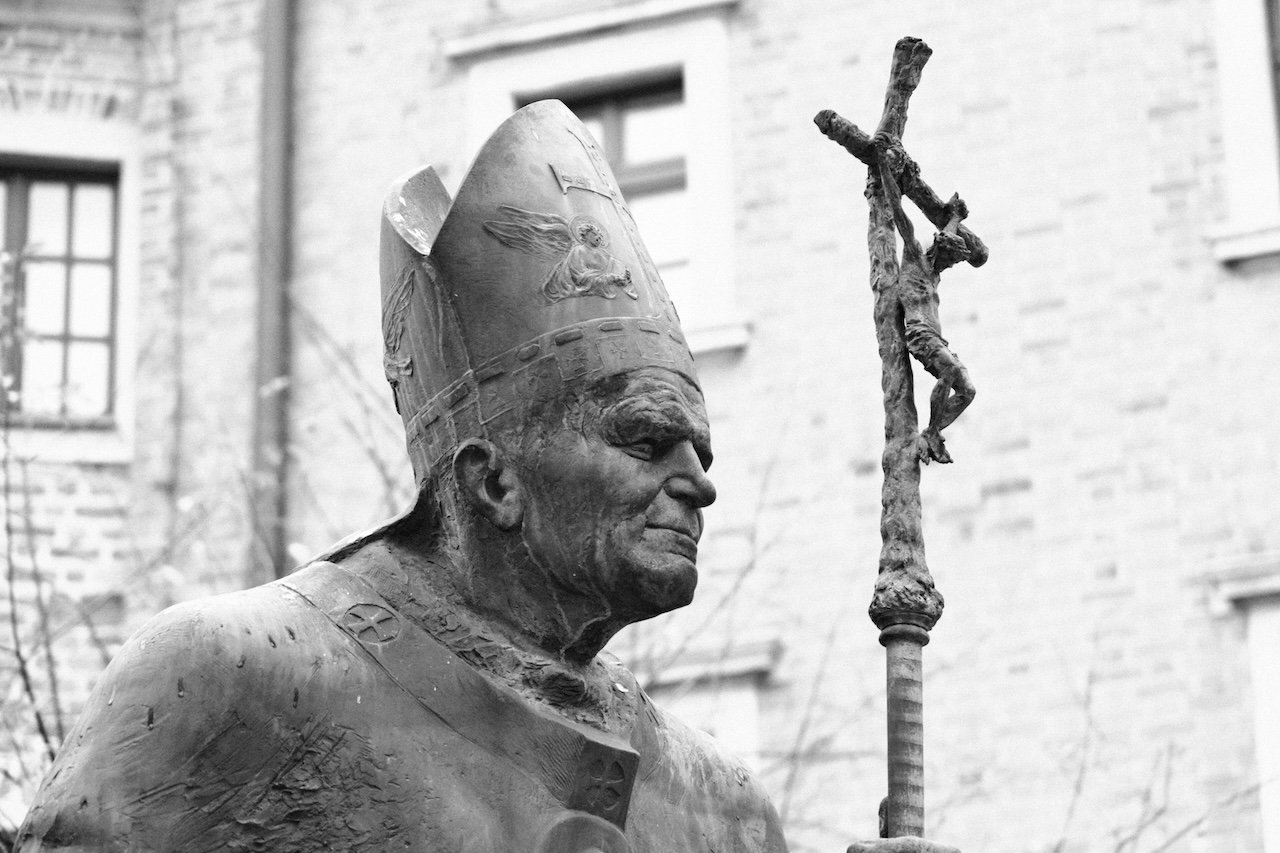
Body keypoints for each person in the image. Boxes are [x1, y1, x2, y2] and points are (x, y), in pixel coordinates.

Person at [15, 101, 961, 853]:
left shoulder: (727, 814)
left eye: (700, 452)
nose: (698, 483)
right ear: (491, 480)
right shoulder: (227, 679)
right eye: (645, 439)